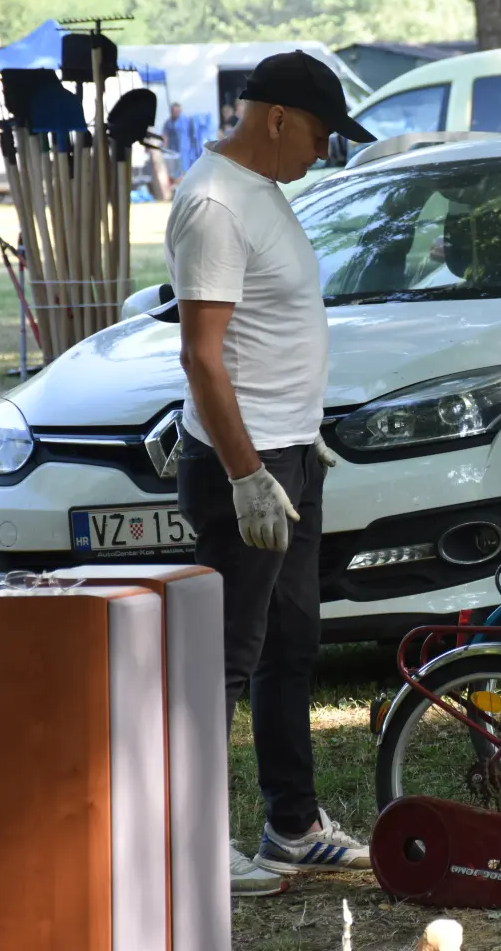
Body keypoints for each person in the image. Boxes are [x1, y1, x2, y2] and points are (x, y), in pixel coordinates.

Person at [167, 50, 377, 897]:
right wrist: (247, 472)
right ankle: (194, 848)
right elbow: (202, 357)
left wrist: (295, 441)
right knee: (224, 658)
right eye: (323, 134)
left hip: (291, 453)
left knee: (292, 647)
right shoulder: (216, 203)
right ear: (278, 116)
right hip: (242, 466)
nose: (326, 151)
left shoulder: (266, 194)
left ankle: (291, 826)